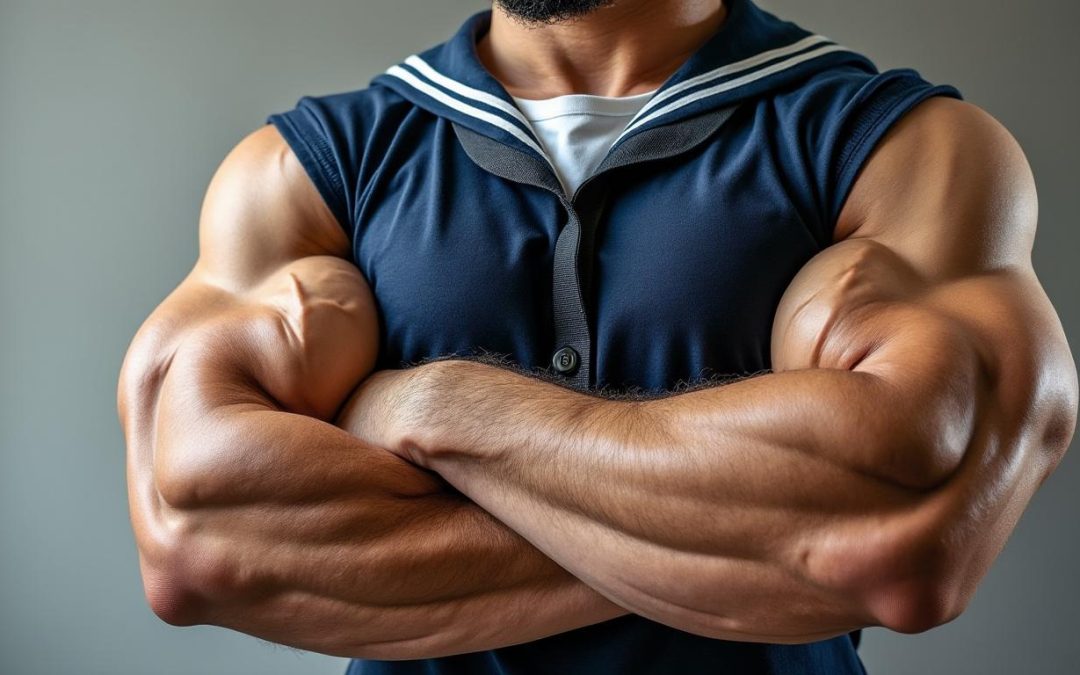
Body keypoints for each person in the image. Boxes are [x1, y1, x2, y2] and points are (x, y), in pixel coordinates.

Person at [117, 0, 1078, 673]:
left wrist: (437, 407)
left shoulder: (902, 149)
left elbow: (902, 536)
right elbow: (201, 537)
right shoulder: (306, 172)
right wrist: (749, 537)